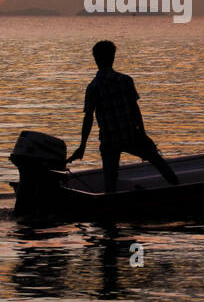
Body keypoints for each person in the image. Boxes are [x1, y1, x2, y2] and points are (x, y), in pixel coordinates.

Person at [66, 40, 179, 193]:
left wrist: (82, 146)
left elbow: (88, 118)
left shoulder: (93, 87)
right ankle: (178, 188)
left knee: (110, 182)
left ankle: (111, 202)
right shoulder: (124, 80)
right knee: (157, 160)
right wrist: (143, 133)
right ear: (113, 58)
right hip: (130, 135)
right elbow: (135, 110)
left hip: (109, 140)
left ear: (95, 60)